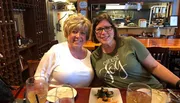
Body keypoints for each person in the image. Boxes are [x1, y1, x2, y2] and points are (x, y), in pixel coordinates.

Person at [90, 13, 180, 89]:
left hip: (150, 91)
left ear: (113, 29)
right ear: (94, 33)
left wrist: (178, 82)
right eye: (99, 29)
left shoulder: (129, 42)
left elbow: (155, 67)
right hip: (120, 98)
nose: (103, 33)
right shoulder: (94, 56)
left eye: (107, 28)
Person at [35, 13, 94, 87]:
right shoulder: (56, 50)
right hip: (56, 96)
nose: (78, 36)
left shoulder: (89, 55)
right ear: (67, 33)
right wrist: (42, 95)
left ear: (86, 36)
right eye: (74, 31)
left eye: (82, 33)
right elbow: (39, 76)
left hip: (83, 97)